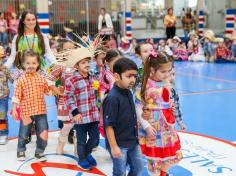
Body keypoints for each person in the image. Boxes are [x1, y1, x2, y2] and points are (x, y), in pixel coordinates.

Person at [139, 51, 182, 176]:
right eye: (163, 72)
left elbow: (167, 100)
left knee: (173, 155)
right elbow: (139, 105)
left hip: (166, 125)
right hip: (153, 125)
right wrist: (146, 125)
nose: (167, 74)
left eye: (169, 71)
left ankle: (163, 173)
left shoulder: (166, 83)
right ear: (152, 70)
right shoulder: (145, 84)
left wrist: (170, 106)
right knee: (154, 159)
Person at [103, 58, 144, 176]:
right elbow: (109, 125)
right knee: (120, 172)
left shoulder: (128, 91)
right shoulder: (112, 98)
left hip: (133, 141)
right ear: (116, 76)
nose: (133, 80)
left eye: (135, 76)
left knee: (138, 168)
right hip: (119, 144)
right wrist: (114, 147)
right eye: (129, 76)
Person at [11, 49, 52, 162]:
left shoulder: (41, 78)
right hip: (26, 112)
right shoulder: (21, 80)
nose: (31, 66)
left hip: (41, 111)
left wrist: (54, 89)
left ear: (38, 64)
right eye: (28, 63)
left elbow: (48, 91)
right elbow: (16, 95)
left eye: (34, 63)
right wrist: (14, 108)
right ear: (23, 64)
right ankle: (21, 149)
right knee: (24, 132)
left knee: (43, 132)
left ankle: (39, 151)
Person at [64, 47, 100, 170]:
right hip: (80, 116)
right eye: (83, 62)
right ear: (76, 66)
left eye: (88, 62)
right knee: (81, 140)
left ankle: (86, 153)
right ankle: (82, 159)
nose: (87, 64)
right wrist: (75, 112)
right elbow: (68, 98)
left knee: (95, 139)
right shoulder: (71, 80)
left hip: (93, 115)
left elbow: (95, 93)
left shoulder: (92, 77)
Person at [47, 40, 76, 155]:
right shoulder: (60, 66)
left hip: (79, 100)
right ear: (62, 52)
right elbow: (49, 79)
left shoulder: (79, 63)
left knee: (79, 126)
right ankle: (60, 145)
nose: (70, 51)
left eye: (72, 48)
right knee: (67, 125)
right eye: (66, 49)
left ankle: (78, 150)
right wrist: (58, 91)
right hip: (65, 101)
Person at [0, 46, 13, 145]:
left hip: (3, 97)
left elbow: (13, 79)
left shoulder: (5, 69)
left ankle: (3, 134)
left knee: (2, 116)